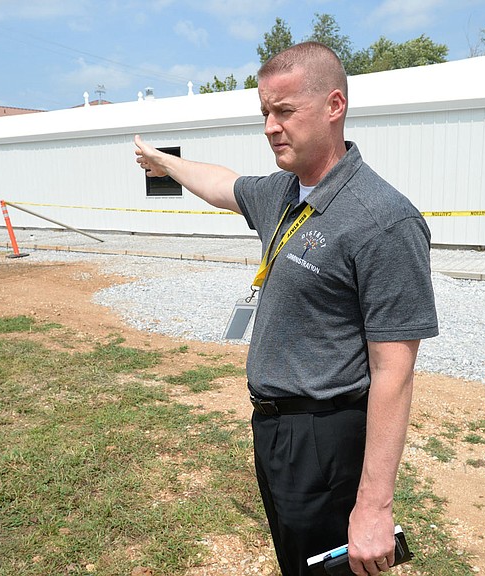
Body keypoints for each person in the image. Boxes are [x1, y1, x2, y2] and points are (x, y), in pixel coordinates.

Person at [134, 41, 438, 576]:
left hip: (325, 437)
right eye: (265, 113)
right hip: (273, 426)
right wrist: (165, 162)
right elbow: (222, 185)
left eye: (285, 111)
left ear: (334, 106)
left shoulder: (384, 220)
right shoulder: (284, 193)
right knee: (298, 564)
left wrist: (374, 506)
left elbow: (395, 372)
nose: (271, 126)